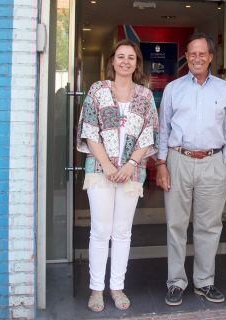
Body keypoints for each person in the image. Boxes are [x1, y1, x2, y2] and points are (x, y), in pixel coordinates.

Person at [76, 40, 159, 312]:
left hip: (131, 173)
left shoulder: (145, 96)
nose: (125, 61)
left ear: (137, 64)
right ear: (112, 61)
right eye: (121, 57)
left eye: (131, 57)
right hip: (100, 172)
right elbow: (90, 131)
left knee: (122, 232)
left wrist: (130, 164)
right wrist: (109, 166)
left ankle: (117, 287)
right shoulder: (98, 91)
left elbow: (149, 135)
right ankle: (96, 289)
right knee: (100, 231)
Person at [156, 32, 226, 306]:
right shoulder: (173, 89)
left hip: (214, 163)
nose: (197, 58)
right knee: (176, 225)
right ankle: (176, 283)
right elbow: (163, 129)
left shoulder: (224, 89)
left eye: (202, 53)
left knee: (209, 226)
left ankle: (204, 282)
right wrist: (162, 164)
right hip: (179, 160)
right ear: (186, 57)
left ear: (211, 57)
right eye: (192, 53)